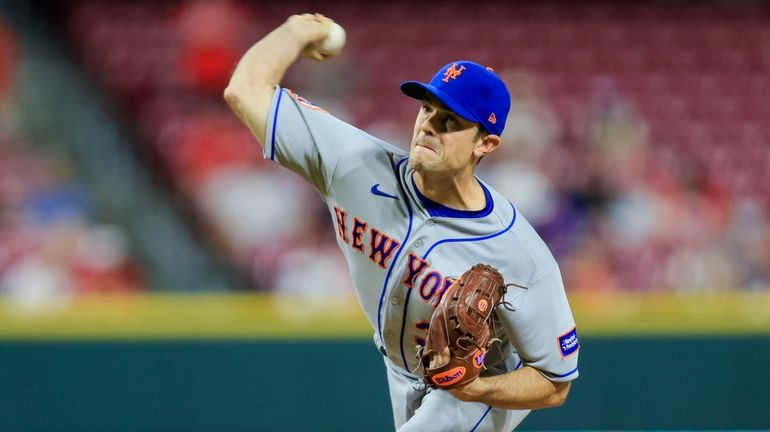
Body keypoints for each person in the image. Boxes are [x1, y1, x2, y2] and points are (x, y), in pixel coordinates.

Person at [224, 13, 579, 431]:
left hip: (480, 383)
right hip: (401, 370)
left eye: (450, 121)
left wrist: (476, 389)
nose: (429, 125)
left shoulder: (519, 252)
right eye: (427, 109)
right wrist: (296, 31)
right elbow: (244, 92)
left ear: (486, 143)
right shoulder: (353, 164)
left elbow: (555, 383)